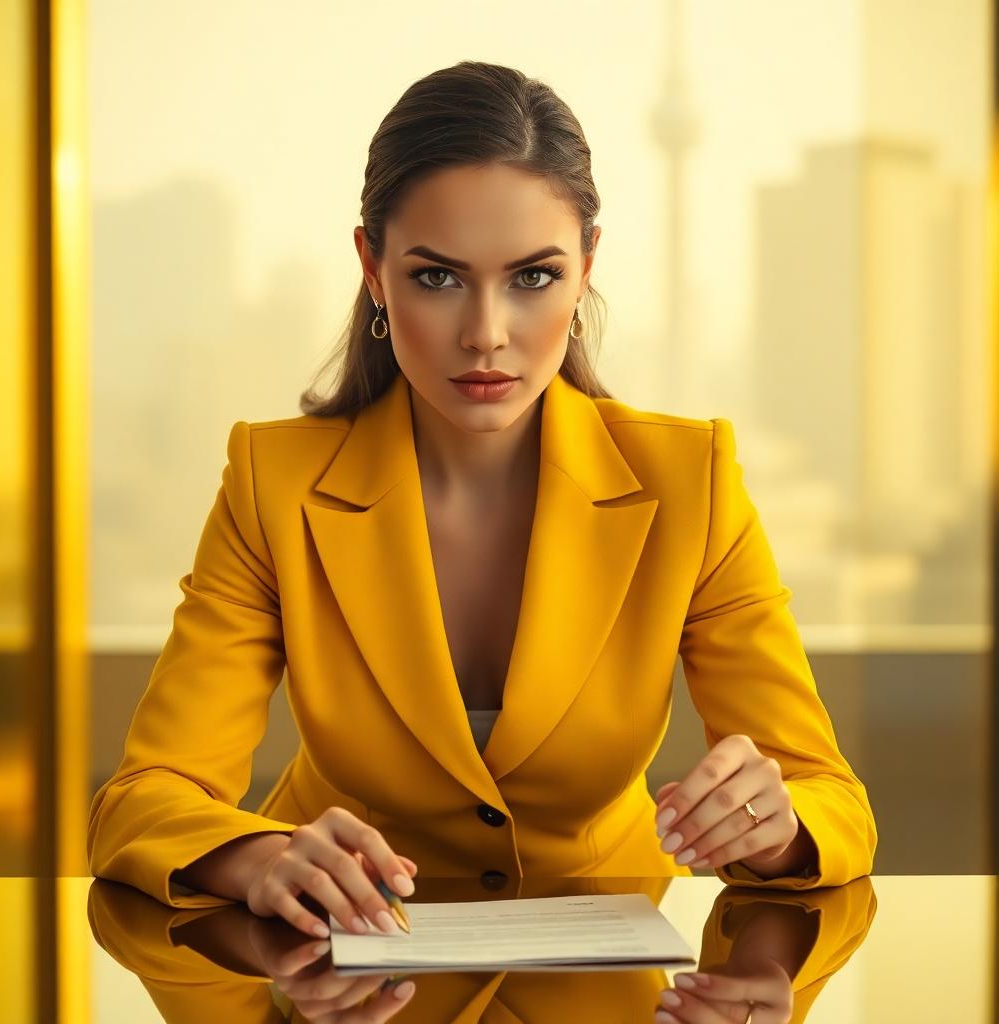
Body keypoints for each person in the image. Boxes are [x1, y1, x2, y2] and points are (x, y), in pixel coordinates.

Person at [87, 61, 877, 947]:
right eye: (438, 278)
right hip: (347, 981)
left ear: (586, 269)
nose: (487, 332)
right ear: (373, 270)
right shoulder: (274, 483)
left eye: (533, 277)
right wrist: (257, 859)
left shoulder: (689, 478)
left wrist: (777, 831)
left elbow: (828, 796)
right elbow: (142, 800)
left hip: (603, 989)